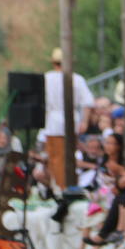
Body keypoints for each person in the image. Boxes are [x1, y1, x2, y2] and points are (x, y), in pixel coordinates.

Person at [44, 48, 95, 191]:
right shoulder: (77, 78)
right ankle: (64, 187)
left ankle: (60, 187)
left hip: (52, 122)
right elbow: (88, 102)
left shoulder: (47, 78)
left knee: (55, 158)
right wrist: (84, 121)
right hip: (70, 121)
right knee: (66, 158)